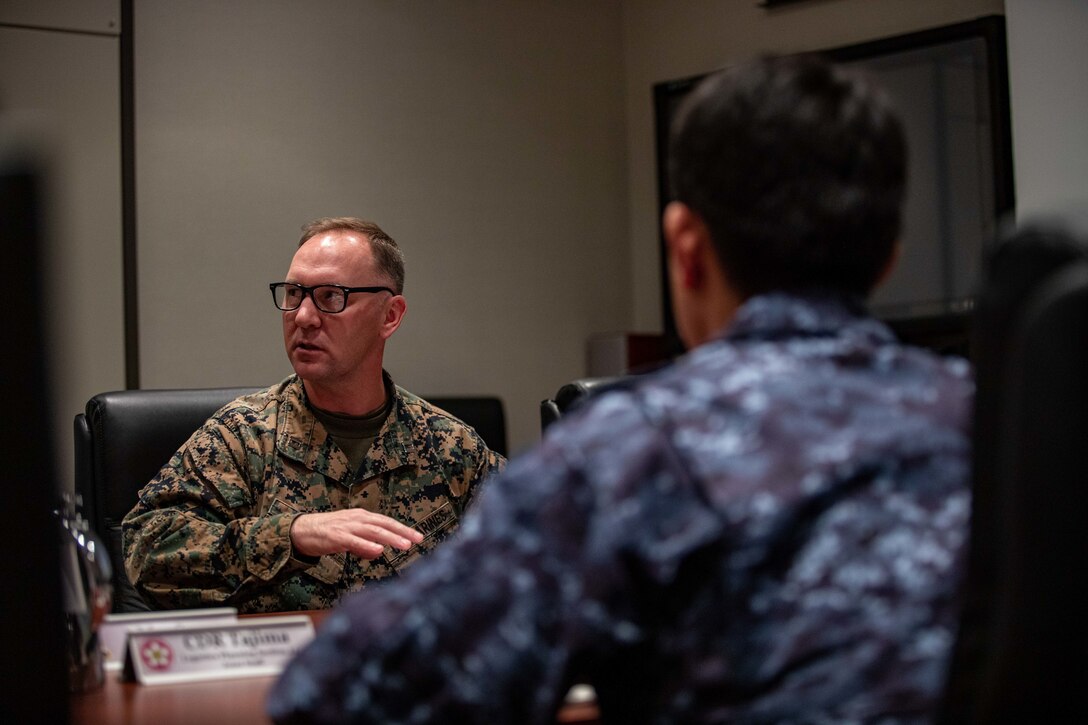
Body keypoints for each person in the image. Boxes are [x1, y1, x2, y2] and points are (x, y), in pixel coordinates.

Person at [267, 55, 973, 723]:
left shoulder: (639, 450)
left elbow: (347, 690)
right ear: (887, 259)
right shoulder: (1001, 425)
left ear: (686, 249)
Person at [122, 217, 504, 613]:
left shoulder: (450, 447)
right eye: (293, 293)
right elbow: (145, 551)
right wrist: (292, 534)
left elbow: (538, 553)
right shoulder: (243, 435)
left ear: (390, 316)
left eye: (330, 296)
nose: (302, 316)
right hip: (278, 671)